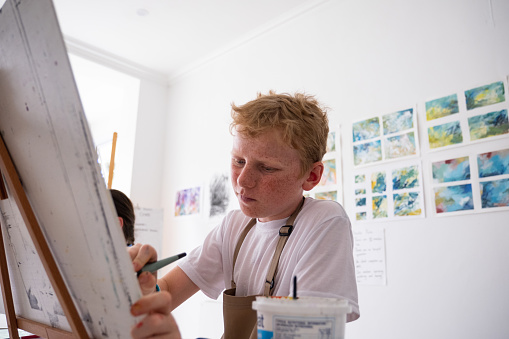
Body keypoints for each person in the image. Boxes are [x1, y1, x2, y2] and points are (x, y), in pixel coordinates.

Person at [131, 91, 359, 339]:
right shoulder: (234, 225)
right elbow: (166, 291)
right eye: (239, 161)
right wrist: (141, 286)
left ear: (311, 176)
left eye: (267, 167)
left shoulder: (324, 221)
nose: (243, 180)